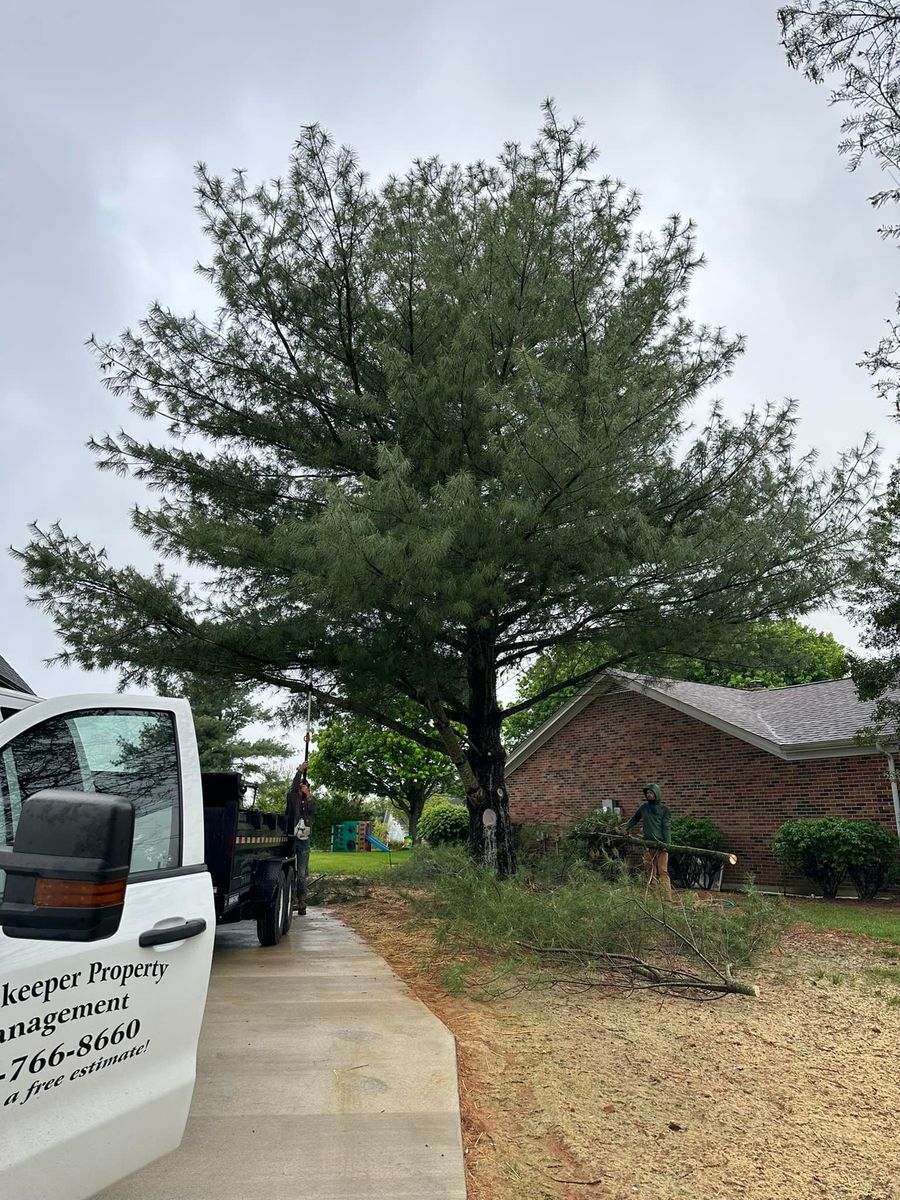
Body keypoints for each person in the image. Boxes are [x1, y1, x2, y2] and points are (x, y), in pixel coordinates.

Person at [625, 783, 673, 901]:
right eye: (647, 793)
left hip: (661, 845)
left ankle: (667, 898)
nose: (649, 795)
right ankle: (654, 898)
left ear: (656, 794)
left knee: (663, 871)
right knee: (650, 872)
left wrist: (668, 845)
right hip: (647, 845)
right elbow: (634, 819)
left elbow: (666, 827)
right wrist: (625, 829)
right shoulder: (644, 808)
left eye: (651, 793)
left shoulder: (664, 810)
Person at [285, 760, 315, 914]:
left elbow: (312, 809)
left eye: (305, 787)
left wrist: (307, 794)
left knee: (302, 872)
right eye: (301, 787)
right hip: (290, 837)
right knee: (289, 869)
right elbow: (293, 787)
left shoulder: (309, 801)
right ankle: (289, 899)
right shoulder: (292, 797)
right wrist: (299, 771)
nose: (302, 789)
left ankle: (302, 901)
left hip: (304, 840)